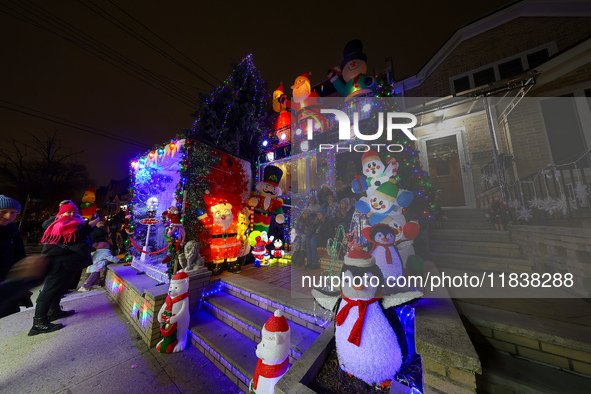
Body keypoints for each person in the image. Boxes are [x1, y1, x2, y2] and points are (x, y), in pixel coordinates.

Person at [29, 202, 99, 335]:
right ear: (61, 213)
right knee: (49, 291)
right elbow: (74, 238)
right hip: (58, 263)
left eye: (74, 212)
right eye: (68, 212)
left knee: (60, 289)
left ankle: (53, 312)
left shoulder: (74, 222)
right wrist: (89, 226)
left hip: (67, 263)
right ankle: (38, 323)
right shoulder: (60, 224)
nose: (72, 214)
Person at [0, 195, 28, 318]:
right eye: (3, 212)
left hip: (9, 283)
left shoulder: (13, 231)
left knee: (9, 316)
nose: (8, 216)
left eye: (13, 212)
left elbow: (19, 257)